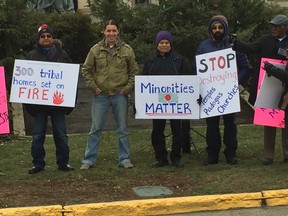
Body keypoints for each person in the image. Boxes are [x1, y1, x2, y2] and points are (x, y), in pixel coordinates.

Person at [80, 20, 139, 170]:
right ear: (103, 32)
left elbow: (134, 72)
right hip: (101, 96)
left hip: (120, 95)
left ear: (118, 32)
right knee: (95, 128)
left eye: (114, 31)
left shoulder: (127, 50)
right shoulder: (95, 50)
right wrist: (94, 87)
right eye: (108, 31)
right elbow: (86, 69)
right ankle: (89, 159)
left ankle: (124, 159)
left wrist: (127, 89)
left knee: (122, 129)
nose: (111, 33)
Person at [193, 15, 250, 165]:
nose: (217, 30)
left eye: (220, 27)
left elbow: (245, 67)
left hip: (228, 92)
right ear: (210, 30)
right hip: (210, 93)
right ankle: (212, 154)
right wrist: (200, 88)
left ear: (225, 28)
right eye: (214, 27)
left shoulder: (234, 45)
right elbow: (197, 69)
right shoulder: (203, 46)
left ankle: (231, 152)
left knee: (230, 123)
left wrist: (235, 82)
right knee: (211, 124)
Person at [232, 14, 288, 165]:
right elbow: (251, 47)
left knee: (286, 120)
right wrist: (237, 44)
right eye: (273, 26)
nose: (274, 29)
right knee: (270, 119)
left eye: (277, 26)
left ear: (285, 27)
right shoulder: (265, 39)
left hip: (285, 86)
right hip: (268, 84)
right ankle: (268, 155)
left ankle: (286, 154)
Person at [25, 24, 74, 174]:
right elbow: (26, 82)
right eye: (43, 36)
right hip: (39, 106)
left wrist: (68, 104)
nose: (46, 38)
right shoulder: (31, 56)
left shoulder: (63, 55)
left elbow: (71, 80)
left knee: (61, 134)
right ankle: (38, 164)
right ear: (38, 39)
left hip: (58, 104)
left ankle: (63, 162)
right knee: (38, 135)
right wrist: (30, 106)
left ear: (53, 38)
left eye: (48, 36)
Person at [142, 30, 191, 168]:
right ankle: (161, 157)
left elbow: (187, 80)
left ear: (171, 44)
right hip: (157, 102)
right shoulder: (150, 61)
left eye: (166, 42)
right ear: (157, 44)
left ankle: (176, 157)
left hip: (176, 101)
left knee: (177, 129)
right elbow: (144, 82)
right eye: (161, 42)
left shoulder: (179, 60)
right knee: (157, 130)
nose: (164, 45)